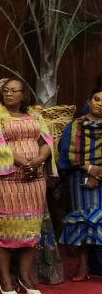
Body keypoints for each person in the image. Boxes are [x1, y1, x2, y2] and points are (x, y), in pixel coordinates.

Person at [0, 78, 54, 294]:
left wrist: (39, 159)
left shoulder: (35, 116)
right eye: (6, 91)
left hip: (34, 180)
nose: (9, 94)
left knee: (31, 227)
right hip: (7, 179)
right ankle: (5, 278)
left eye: (15, 91)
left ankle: (24, 275)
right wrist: (24, 161)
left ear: (24, 94)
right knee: (4, 227)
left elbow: (47, 140)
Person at [59, 87, 102, 280]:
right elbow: (65, 154)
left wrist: (97, 173)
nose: (100, 104)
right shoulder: (74, 126)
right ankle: (83, 266)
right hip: (80, 177)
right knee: (86, 221)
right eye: (97, 99)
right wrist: (89, 169)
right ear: (89, 100)